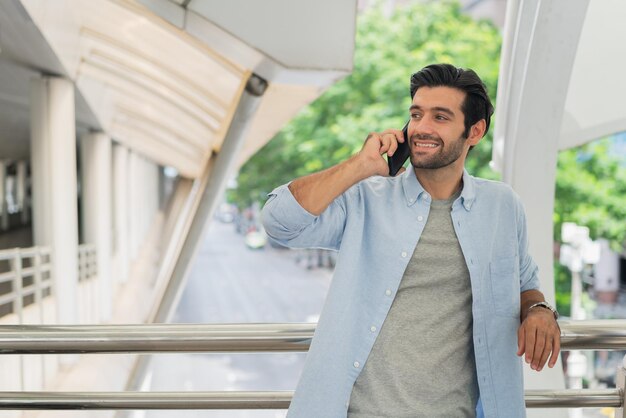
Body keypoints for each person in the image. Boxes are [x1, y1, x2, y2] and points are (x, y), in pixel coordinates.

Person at [261, 63, 561, 418]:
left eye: (440, 117)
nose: (421, 127)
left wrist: (539, 311)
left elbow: (526, 284)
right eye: (416, 114)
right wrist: (359, 165)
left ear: (475, 131)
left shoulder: (502, 206)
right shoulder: (366, 199)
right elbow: (278, 222)